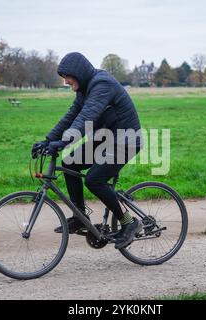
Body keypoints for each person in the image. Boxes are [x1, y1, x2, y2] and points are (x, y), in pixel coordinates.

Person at [31, 52, 143, 249]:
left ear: (78, 73)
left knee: (94, 180)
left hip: (126, 141)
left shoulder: (102, 84)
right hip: (106, 138)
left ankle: (129, 222)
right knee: (69, 162)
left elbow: (87, 117)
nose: (65, 81)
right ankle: (80, 216)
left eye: (67, 76)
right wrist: (48, 140)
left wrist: (64, 142)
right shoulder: (84, 90)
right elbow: (71, 116)